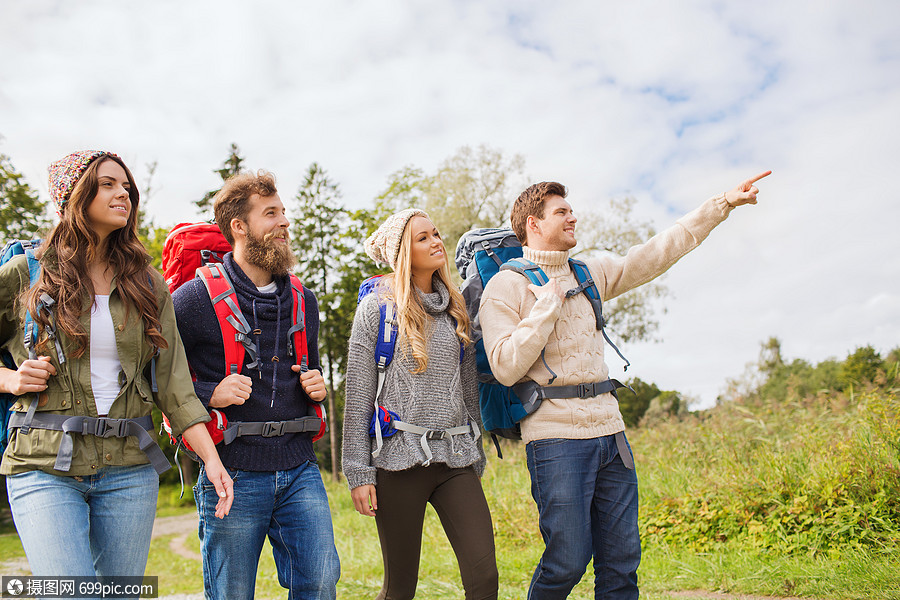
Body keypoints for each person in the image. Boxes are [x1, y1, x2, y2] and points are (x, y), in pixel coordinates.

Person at [479, 172, 771, 599]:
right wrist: (544, 310)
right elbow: (504, 367)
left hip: (611, 435)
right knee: (567, 561)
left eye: (571, 209)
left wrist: (722, 203)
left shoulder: (588, 272)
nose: (573, 217)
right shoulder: (504, 287)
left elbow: (657, 251)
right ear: (533, 225)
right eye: (562, 212)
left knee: (621, 564)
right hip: (556, 441)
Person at [0, 150, 233, 582]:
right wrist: (12, 378)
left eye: (125, 186)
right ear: (74, 195)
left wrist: (212, 460)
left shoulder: (147, 283)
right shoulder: (24, 273)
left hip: (129, 468)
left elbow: (175, 385)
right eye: (107, 184)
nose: (122, 193)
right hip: (44, 463)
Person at [173, 170, 340, 600]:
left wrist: (317, 385)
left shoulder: (304, 299)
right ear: (240, 227)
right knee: (231, 593)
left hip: (300, 467)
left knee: (320, 583)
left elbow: (313, 368)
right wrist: (211, 392)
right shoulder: (191, 300)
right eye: (271, 213)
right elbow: (162, 382)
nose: (284, 221)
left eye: (283, 211)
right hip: (231, 469)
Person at [342, 208, 499, 600]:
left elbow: (467, 393)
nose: (436, 242)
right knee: (400, 590)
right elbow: (358, 395)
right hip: (397, 462)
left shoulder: (456, 309)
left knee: (484, 579)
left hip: (455, 460)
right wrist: (358, 472)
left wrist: (476, 453)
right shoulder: (376, 310)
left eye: (436, 234)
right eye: (423, 238)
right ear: (403, 252)